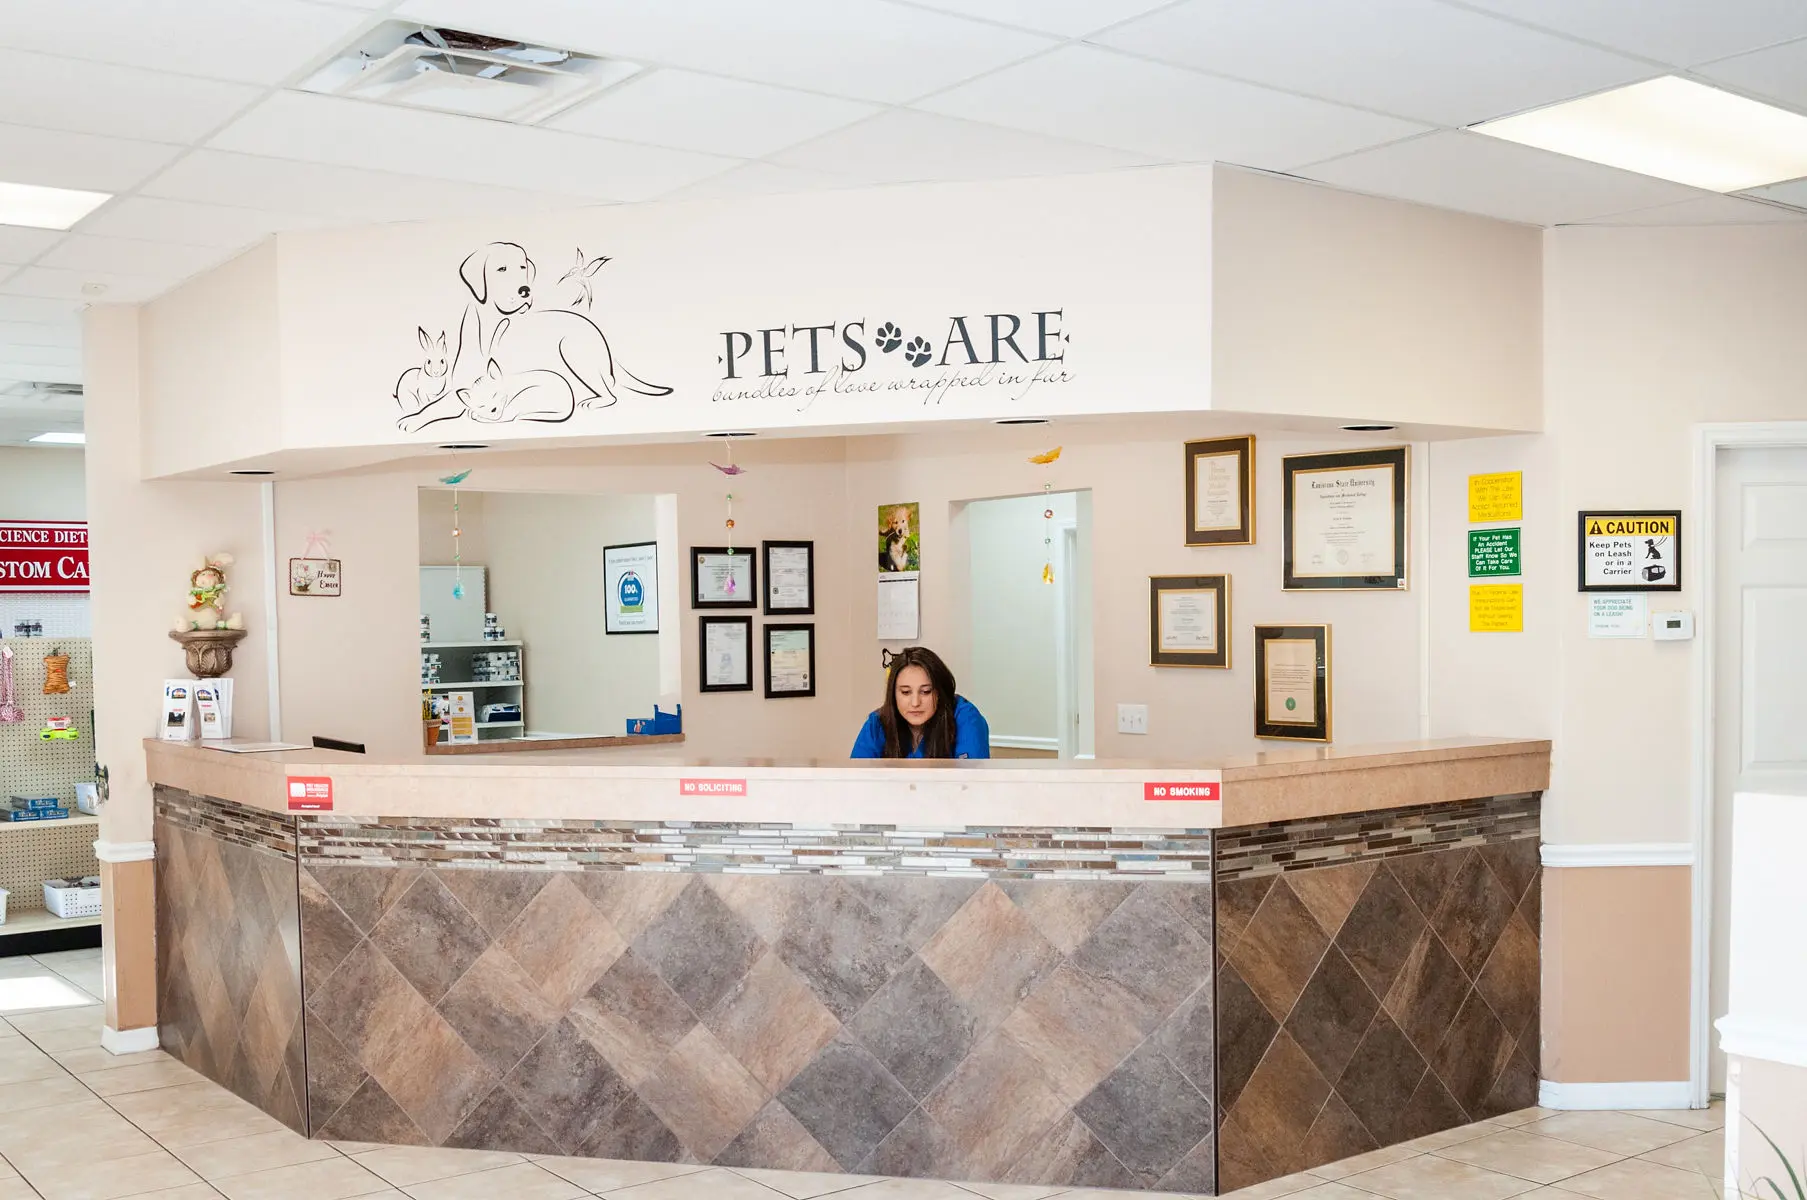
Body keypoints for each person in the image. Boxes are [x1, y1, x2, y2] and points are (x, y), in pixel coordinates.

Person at [851, 646, 990, 759]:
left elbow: (970, 784)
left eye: (926, 691)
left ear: (940, 692)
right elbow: (856, 782)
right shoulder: (877, 723)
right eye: (905, 692)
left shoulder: (966, 718)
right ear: (893, 694)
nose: (915, 702)